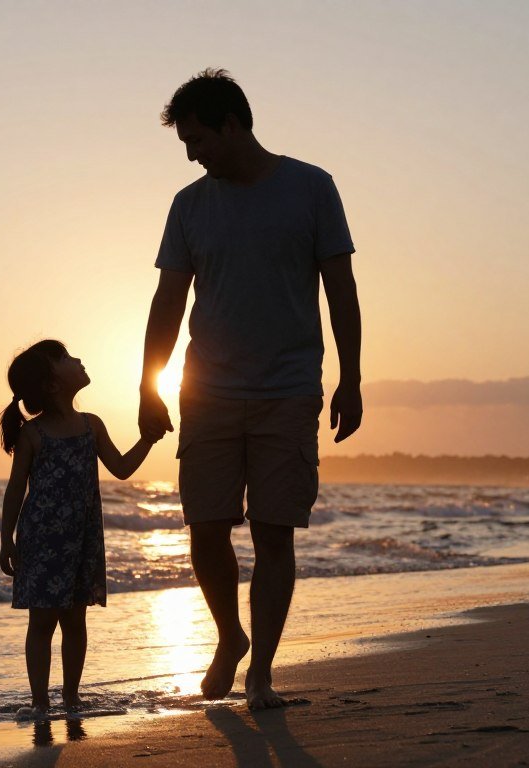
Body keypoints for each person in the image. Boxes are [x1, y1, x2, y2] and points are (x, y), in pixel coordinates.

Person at [139, 69, 364, 710]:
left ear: (233, 124)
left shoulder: (312, 189)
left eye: (198, 138)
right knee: (205, 529)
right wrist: (148, 383)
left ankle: (261, 669)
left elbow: (341, 290)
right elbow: (168, 299)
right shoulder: (189, 205)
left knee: (274, 533)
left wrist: (351, 376)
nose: (192, 153)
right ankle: (230, 637)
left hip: (288, 390)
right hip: (205, 390)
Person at [0, 339, 162, 719]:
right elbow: (14, 489)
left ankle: (71, 699)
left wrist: (148, 439)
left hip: (82, 539)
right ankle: (40, 702)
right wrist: (6, 539)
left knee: (75, 619)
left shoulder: (92, 425)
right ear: (53, 383)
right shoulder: (33, 435)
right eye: (68, 358)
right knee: (41, 621)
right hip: (41, 540)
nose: (79, 360)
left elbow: (121, 468)